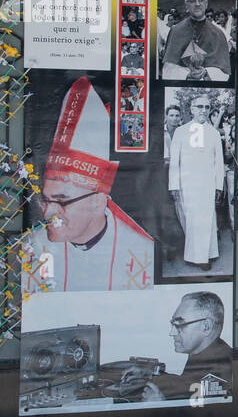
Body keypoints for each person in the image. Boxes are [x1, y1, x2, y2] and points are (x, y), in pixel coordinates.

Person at [21, 77, 155, 293]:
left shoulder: (142, 252)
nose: (48, 213)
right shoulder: (32, 245)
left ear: (99, 200)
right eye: (46, 200)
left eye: (62, 201)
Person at [142, 292, 233, 402]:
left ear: (206, 326)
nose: (172, 333)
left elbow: (208, 414)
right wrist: (149, 374)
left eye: (180, 324)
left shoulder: (222, 368)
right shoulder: (206, 354)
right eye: (173, 324)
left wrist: (159, 404)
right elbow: (187, 384)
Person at [168, 95, 224, 269]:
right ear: (192, 109)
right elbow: (174, 161)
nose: (204, 110)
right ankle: (198, 254)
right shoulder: (181, 131)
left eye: (207, 107)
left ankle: (204, 257)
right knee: (191, 221)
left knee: (206, 220)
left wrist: (218, 186)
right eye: (200, 106)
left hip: (207, 185)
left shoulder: (214, 133)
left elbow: (219, 162)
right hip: (187, 185)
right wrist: (174, 185)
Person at [161, 0, 231, 81]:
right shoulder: (176, 31)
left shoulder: (218, 33)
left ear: (206, 3)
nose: (197, 4)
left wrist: (207, 73)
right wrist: (187, 75)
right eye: (192, 0)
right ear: (186, 6)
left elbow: (224, 72)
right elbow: (168, 69)